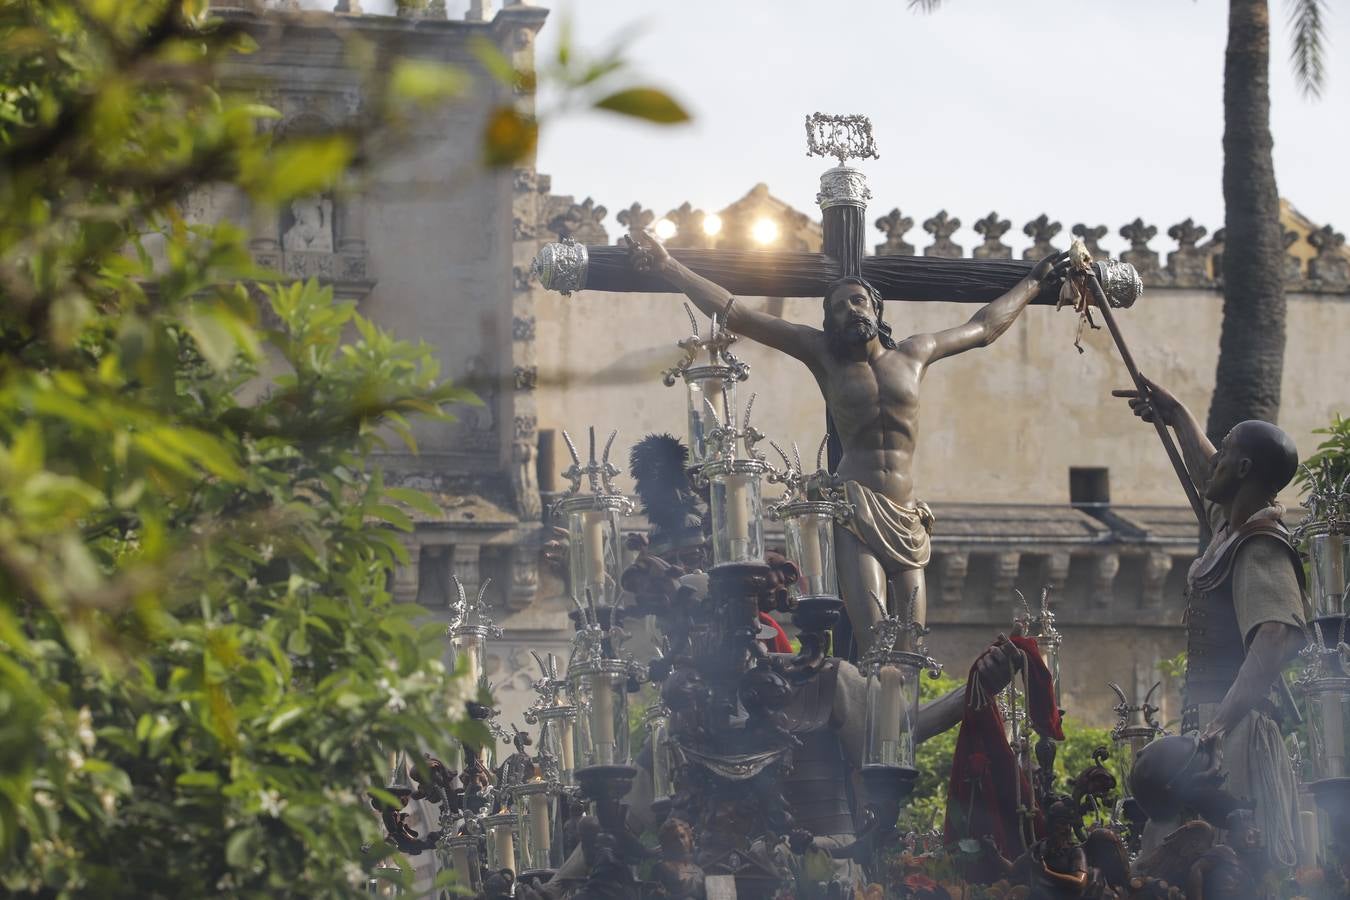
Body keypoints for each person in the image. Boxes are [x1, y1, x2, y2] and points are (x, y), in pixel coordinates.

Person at [626, 227, 1070, 652]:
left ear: (876, 309)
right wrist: (669, 266)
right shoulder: (823, 355)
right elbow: (736, 313)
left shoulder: (916, 353)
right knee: (877, 640)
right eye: (839, 307)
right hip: (856, 509)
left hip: (908, 516)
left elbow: (985, 327)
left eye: (859, 301)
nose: (851, 311)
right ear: (830, 320)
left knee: (912, 642)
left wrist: (1032, 284)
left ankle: (904, 729)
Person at [1116, 377, 1308, 869]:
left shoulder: (1259, 544)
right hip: (1210, 728)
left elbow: (1272, 638)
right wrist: (1176, 414)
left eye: (1225, 452)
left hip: (1237, 732)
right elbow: (1210, 475)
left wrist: (1219, 728)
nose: (1215, 460)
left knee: (1232, 864)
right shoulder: (1230, 526)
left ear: (1243, 468)